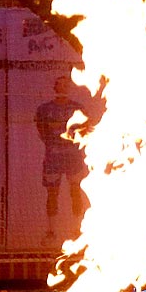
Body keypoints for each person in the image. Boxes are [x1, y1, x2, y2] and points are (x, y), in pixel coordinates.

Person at [33, 74, 90, 242]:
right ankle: (51, 231)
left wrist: (69, 136)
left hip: (73, 157)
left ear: (69, 88)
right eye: (59, 85)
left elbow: (84, 130)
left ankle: (76, 230)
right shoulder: (44, 109)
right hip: (53, 157)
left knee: (75, 192)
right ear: (55, 88)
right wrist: (53, 141)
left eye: (66, 85)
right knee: (52, 193)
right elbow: (42, 130)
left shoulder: (78, 108)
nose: (62, 88)